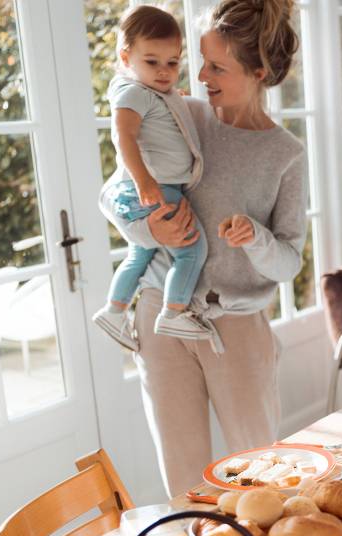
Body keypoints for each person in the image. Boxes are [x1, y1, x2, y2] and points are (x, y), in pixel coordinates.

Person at [99, 0, 305, 496]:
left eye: (217, 66)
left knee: (261, 480)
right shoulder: (180, 113)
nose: (200, 75)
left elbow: (289, 260)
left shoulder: (285, 154)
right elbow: (112, 194)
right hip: (159, 315)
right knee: (184, 483)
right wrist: (153, 233)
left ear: (258, 71)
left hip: (235, 326)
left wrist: (255, 237)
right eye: (202, 60)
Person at [94, 4, 212, 347]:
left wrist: (177, 102)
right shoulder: (132, 92)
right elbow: (123, 136)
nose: (164, 71)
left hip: (156, 186)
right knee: (192, 250)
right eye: (152, 62)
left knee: (139, 253)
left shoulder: (154, 92)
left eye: (172, 63)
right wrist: (144, 180)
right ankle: (174, 313)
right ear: (126, 57)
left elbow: (164, 117)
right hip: (156, 187)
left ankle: (114, 312)